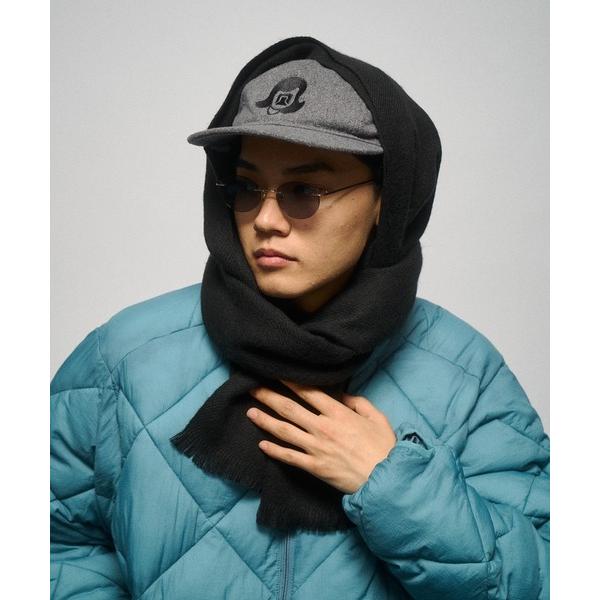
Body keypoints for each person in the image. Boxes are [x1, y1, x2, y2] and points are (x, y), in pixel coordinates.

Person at [50, 36, 549, 599]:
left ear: (386, 200)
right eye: (246, 188)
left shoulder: (467, 376)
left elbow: (543, 576)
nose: (265, 219)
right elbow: (55, 547)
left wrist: (393, 486)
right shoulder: (124, 357)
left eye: (304, 191)